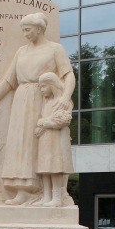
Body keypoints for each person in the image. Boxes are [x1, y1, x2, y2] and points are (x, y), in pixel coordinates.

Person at [0, 12, 75, 205]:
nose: (25, 34)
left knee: (38, 146)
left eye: (27, 30)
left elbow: (68, 75)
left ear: (39, 28)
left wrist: (65, 97)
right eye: (23, 30)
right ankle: (22, 191)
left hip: (42, 100)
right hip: (21, 99)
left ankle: (45, 192)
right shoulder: (21, 51)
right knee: (19, 144)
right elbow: (8, 81)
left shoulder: (54, 49)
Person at [33, 72, 74, 207]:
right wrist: (41, 125)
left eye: (44, 86)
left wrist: (43, 123)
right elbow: (45, 119)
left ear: (52, 85)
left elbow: (62, 120)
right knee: (45, 167)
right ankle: (46, 196)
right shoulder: (48, 103)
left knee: (56, 167)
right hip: (45, 140)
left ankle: (57, 198)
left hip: (57, 140)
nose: (42, 90)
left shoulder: (63, 101)